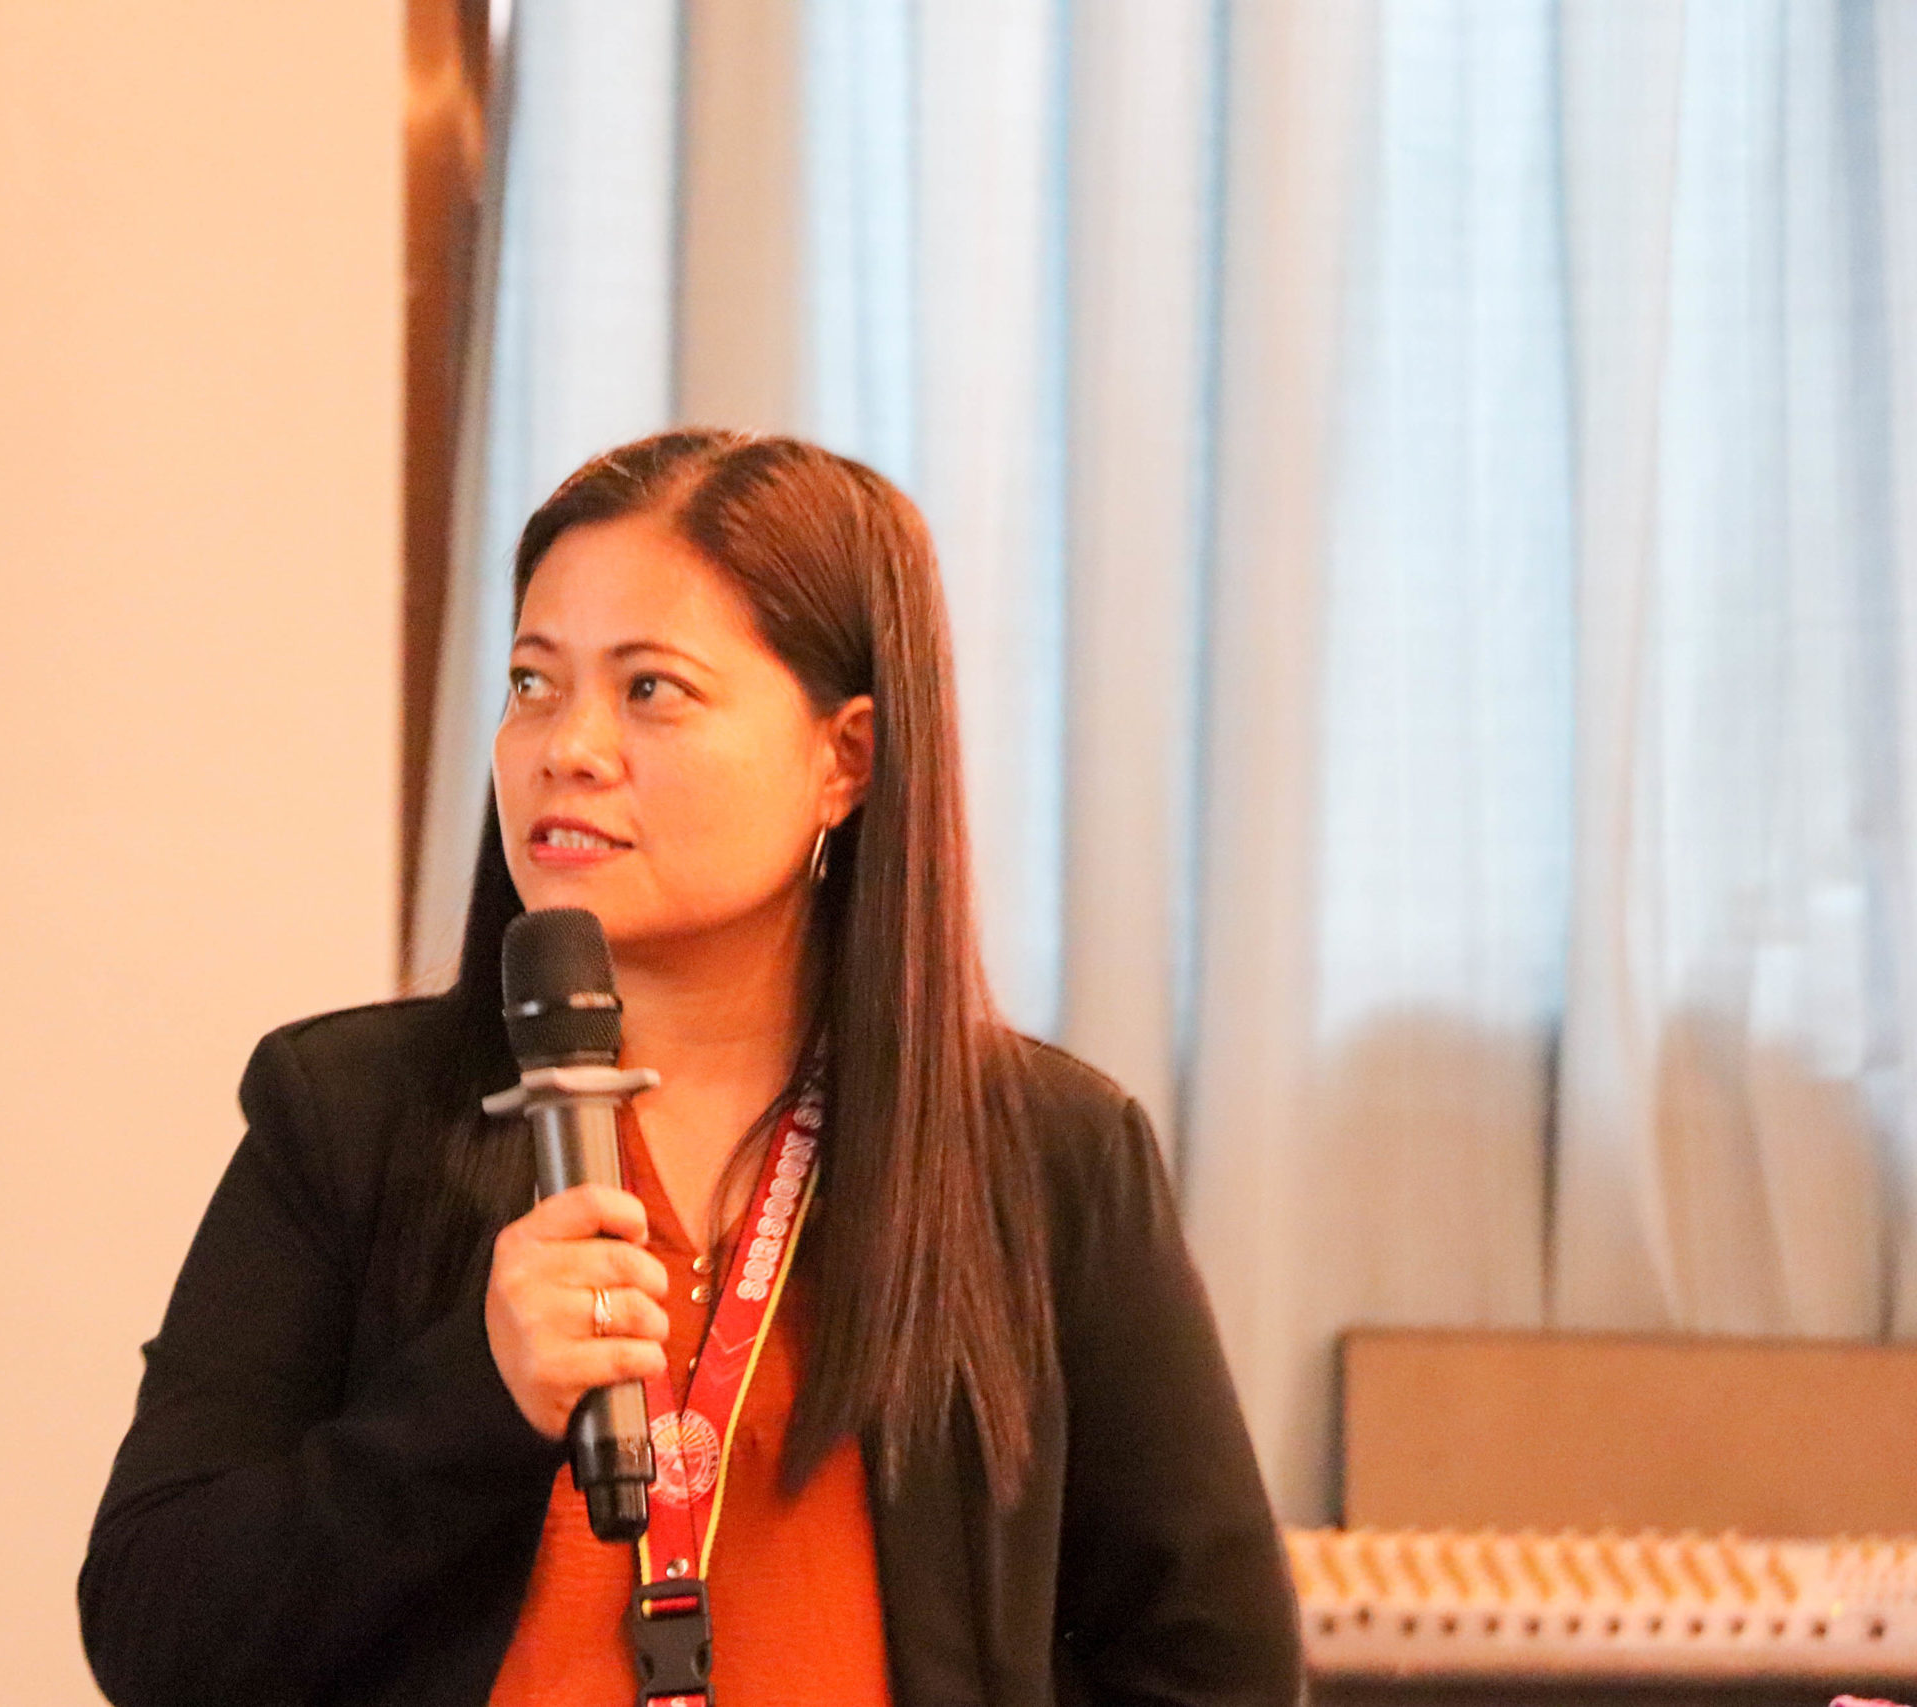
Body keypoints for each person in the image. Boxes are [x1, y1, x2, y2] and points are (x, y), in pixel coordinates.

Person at [78, 430, 1302, 1707]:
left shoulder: (1044, 1158)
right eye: (532, 682)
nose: (568, 746)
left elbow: (1213, 1666)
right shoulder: (349, 1117)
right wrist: (471, 1401)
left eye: (650, 689)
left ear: (846, 757)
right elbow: (155, 1629)